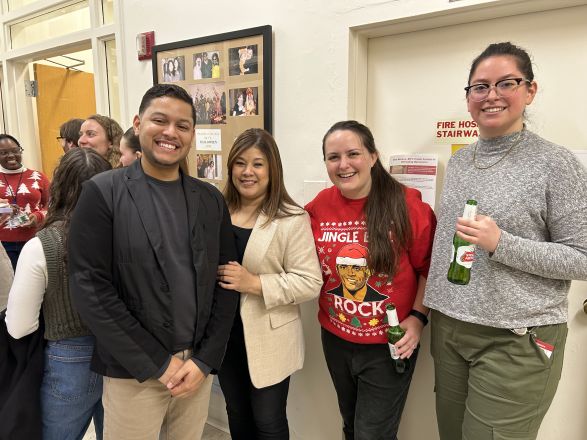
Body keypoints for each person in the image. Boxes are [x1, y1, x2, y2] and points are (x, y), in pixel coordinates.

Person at [423, 42, 587, 440]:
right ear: (468, 98)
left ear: (529, 91)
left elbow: (582, 257)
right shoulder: (462, 159)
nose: (491, 95)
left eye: (506, 83)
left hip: (514, 339)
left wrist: (502, 243)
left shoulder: (556, 163)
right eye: (479, 87)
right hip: (450, 328)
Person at [68, 83, 238, 439]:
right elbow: (90, 289)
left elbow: (226, 283)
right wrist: (158, 364)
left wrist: (204, 360)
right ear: (137, 123)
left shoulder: (210, 200)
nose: (170, 133)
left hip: (195, 369)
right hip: (135, 372)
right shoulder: (103, 193)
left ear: (192, 133)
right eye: (159, 120)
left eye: (182, 125)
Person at [305, 120, 436, 440]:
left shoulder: (407, 205)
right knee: (350, 424)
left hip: (388, 345)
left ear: (373, 156)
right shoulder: (319, 206)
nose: (343, 164)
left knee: (371, 434)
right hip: (335, 338)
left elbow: (429, 269)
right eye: (333, 157)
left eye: (353, 153)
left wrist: (418, 319)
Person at [217, 128, 322, 440]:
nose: (248, 172)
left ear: (272, 168)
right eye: (240, 163)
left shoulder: (291, 217)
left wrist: (255, 283)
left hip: (269, 337)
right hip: (223, 337)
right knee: (236, 413)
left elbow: (309, 282)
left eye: (258, 164)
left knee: (268, 421)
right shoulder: (217, 210)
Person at [5, 148, 111, 440]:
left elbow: (19, 325)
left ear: (58, 186)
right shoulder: (125, 233)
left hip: (70, 355)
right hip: (123, 356)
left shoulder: (44, 245)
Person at [0, 134, 50, 269]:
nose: (11, 155)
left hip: (34, 240)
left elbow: (52, 205)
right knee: (8, 286)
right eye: (3, 153)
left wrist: (38, 216)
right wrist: (5, 209)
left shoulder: (38, 177)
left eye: (15, 150)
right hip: (2, 245)